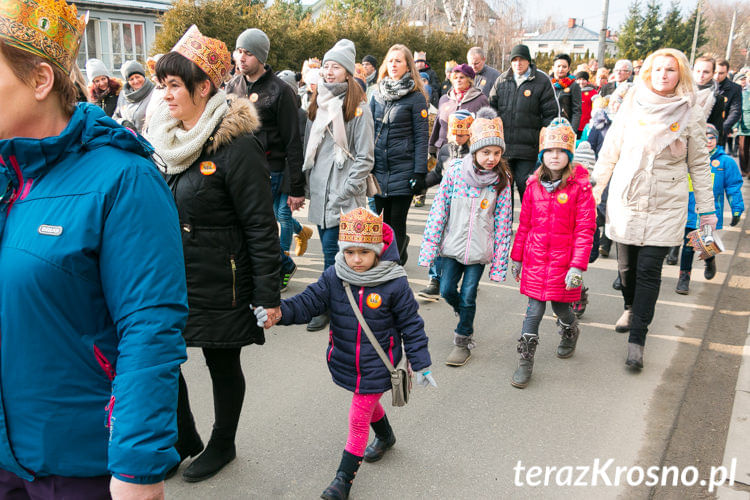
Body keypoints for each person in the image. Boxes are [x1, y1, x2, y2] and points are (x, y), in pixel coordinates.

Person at [0, 1, 189, 497]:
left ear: (41, 81)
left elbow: (150, 328)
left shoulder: (123, 180)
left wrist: (136, 468)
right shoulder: (6, 174)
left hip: (77, 466)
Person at [145, 25, 282, 482]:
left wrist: (268, 295)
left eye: (173, 85)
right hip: (171, 274)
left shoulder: (236, 145)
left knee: (221, 360)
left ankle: (223, 442)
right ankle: (184, 438)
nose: (164, 94)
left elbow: (261, 225)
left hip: (222, 278)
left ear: (204, 87)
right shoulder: (165, 139)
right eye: (162, 84)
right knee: (161, 357)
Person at [253, 207, 434, 500]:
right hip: (347, 360)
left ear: (378, 250)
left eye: (364, 252)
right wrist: (279, 313)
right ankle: (386, 436)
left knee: (357, 419)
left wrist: (421, 364)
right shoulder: (335, 276)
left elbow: (411, 325)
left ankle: (343, 481)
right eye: (350, 252)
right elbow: (308, 302)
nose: (356, 259)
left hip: (378, 364)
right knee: (366, 403)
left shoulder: (395, 282)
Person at [592, 48, 717, 370]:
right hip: (627, 197)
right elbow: (610, 152)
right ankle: (631, 306)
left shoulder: (691, 112)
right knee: (626, 268)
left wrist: (706, 212)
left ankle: (638, 340)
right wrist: (593, 193)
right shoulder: (633, 103)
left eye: (670, 70)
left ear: (681, 75)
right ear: (648, 72)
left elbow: (700, 166)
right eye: (658, 69)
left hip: (666, 202)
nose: (663, 74)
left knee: (649, 270)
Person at [419, 107, 513, 367]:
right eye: (486, 152)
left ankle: (463, 338)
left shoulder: (501, 182)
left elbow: (504, 223)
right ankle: (465, 315)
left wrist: (499, 263)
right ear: (474, 150)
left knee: (469, 293)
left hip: (480, 250)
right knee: (448, 289)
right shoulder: (455, 173)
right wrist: (431, 247)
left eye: (496, 153)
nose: (491, 158)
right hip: (452, 246)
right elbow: (439, 210)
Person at [509, 118, 596, 388]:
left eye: (560, 151)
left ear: (568, 155)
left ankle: (570, 331)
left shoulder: (580, 188)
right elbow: (525, 225)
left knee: (561, 307)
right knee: (533, 310)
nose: (554, 156)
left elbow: (585, 229)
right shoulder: (533, 187)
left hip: (564, 263)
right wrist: (517, 257)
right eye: (549, 151)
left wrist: (577, 267)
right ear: (542, 155)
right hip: (535, 259)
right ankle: (525, 361)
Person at [302, 39, 375, 331]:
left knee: (334, 254)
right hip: (320, 191)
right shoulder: (318, 103)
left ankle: (327, 306)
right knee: (330, 252)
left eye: (336, 67)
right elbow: (312, 148)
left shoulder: (359, 109)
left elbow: (365, 158)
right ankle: (343, 302)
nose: (330, 72)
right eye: (327, 66)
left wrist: (345, 190)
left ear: (348, 72)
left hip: (343, 194)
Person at [225, 28, 305, 293]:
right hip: (237, 169)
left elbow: (293, 140)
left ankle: (280, 267)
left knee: (260, 225)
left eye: (248, 53)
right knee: (241, 223)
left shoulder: (280, 91)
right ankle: (276, 266)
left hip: (270, 169)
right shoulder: (233, 85)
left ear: (260, 56)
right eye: (239, 51)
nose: (241, 57)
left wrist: (296, 188)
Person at [370, 44, 430, 266]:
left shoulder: (415, 98)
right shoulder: (377, 94)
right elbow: (369, 129)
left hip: (403, 168)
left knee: (396, 221)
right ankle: (396, 253)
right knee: (381, 222)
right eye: (390, 60)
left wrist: (419, 172)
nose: (393, 65)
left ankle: (393, 265)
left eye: (398, 61)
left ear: (408, 66)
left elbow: (421, 137)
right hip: (379, 168)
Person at [676, 125, 744, 294]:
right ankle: (684, 277)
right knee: (688, 245)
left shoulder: (724, 162)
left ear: (717, 139)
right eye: (704, 137)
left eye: (711, 138)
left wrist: (736, 209)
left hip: (708, 213)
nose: (708, 141)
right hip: (689, 211)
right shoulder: (687, 159)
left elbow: (734, 186)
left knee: (706, 243)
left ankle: (709, 260)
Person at [489, 44, 557, 201]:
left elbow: (551, 114)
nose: (518, 63)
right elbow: (490, 108)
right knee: (503, 190)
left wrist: (545, 140)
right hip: (503, 147)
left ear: (529, 61)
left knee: (525, 185)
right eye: (514, 60)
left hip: (528, 148)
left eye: (521, 60)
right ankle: (504, 224)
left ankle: (530, 224)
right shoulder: (502, 80)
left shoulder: (541, 81)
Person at [418, 109, 474, 300]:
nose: (458, 138)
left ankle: (466, 276)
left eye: (462, 134)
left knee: (464, 242)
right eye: (455, 134)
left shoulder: (477, 151)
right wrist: (421, 184)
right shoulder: (445, 150)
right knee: (439, 238)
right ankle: (435, 280)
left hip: (469, 206)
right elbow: (437, 174)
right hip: (446, 203)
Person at [429, 63, 488, 156]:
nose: (458, 80)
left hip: (468, 151)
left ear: (469, 80)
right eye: (455, 78)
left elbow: (485, 127)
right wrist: (432, 146)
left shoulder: (480, 99)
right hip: (444, 150)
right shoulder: (445, 99)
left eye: (462, 77)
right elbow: (437, 124)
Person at [112, 60, 155, 134]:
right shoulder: (123, 94)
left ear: (143, 76)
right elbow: (115, 117)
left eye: (137, 77)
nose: (135, 81)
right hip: (128, 139)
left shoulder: (154, 92)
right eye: (131, 79)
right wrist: (122, 122)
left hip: (147, 140)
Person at [693, 55, 725, 143]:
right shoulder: (679, 91)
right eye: (698, 71)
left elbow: (716, 126)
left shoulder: (717, 98)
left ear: (713, 73)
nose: (701, 75)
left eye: (706, 72)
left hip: (701, 142)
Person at [715, 59, 743, 151]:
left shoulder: (735, 88)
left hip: (720, 131)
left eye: (721, 73)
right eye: (715, 72)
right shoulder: (703, 84)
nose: (717, 76)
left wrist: (723, 128)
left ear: (727, 72)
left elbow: (736, 111)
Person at [550, 54, 582, 132]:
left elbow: (576, 111)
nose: (561, 69)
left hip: (565, 127)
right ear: (553, 68)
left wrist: (572, 131)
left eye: (564, 67)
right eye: (558, 66)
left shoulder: (573, 85)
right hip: (548, 126)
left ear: (568, 69)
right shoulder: (547, 83)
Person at [576, 71, 597, 139]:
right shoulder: (572, 90)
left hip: (587, 125)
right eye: (579, 79)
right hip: (575, 124)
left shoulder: (593, 92)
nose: (581, 82)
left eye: (584, 79)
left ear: (587, 81)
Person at [738, 72, 750, 177]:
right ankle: (744, 170)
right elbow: (739, 111)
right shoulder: (743, 94)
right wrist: (735, 126)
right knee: (743, 150)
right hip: (744, 127)